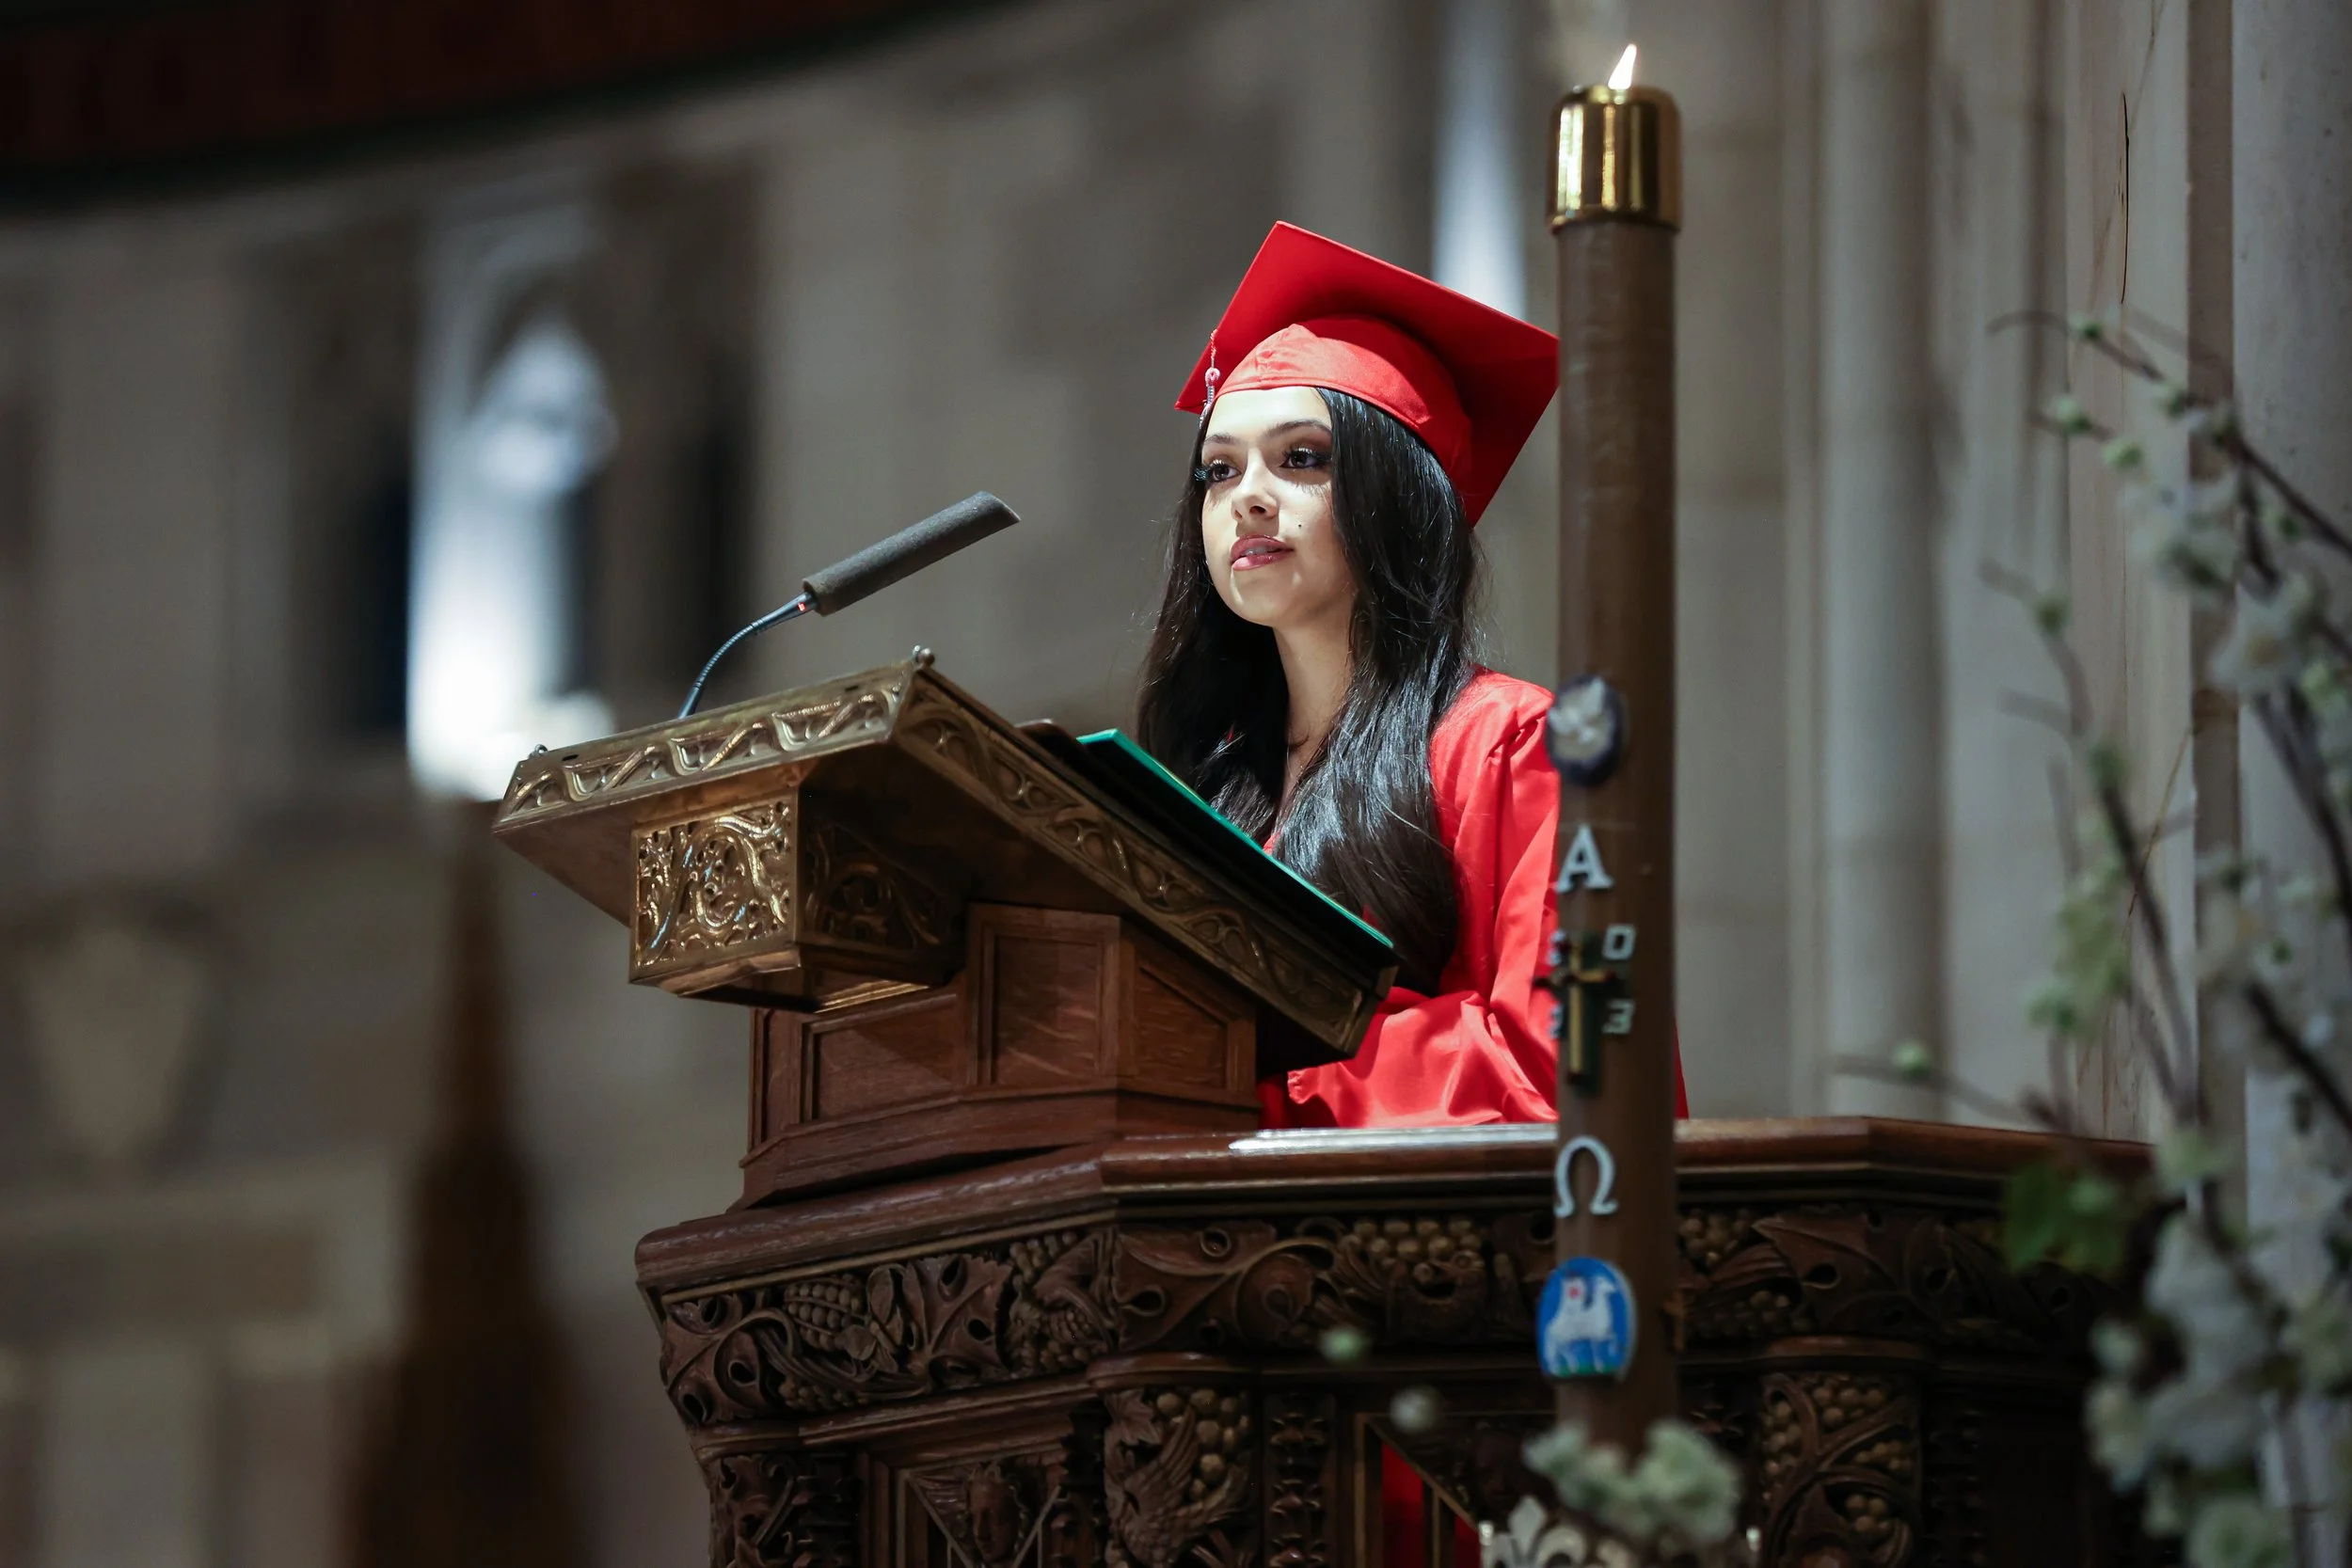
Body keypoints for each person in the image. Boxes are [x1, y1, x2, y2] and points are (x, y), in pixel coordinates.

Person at [1137, 222, 1686, 1130]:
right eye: (1219, 470)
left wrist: (1257, 1084)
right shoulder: (1211, 788)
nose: (1249, 497)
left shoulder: (1517, 746)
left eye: (1302, 458)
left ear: (1396, 496)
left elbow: (1572, 1064)